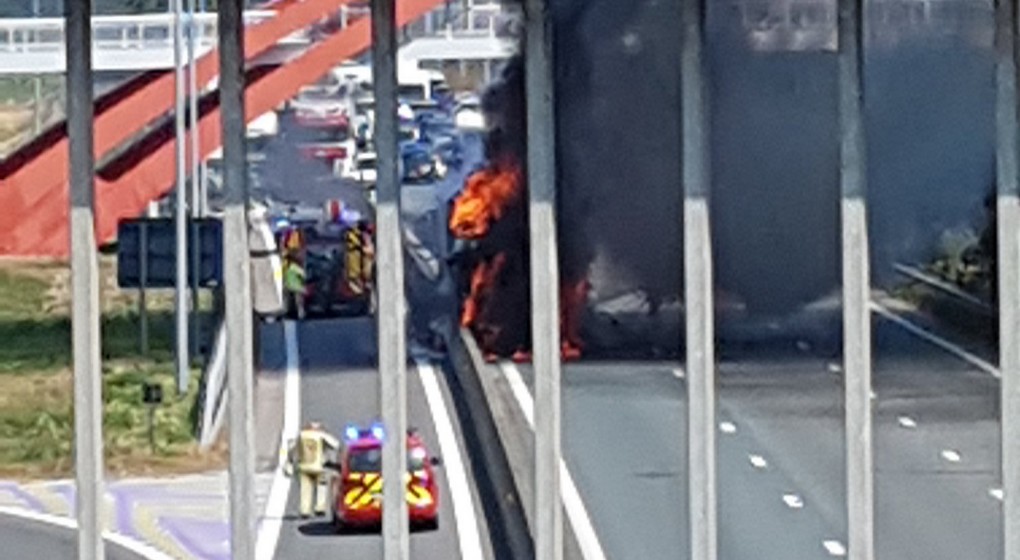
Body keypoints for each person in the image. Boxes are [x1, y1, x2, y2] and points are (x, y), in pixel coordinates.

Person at [286, 421, 340, 518]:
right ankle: (320, 508)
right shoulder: (321, 435)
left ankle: (305, 510)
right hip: (319, 466)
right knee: (321, 486)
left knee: (305, 489)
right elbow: (335, 444)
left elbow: (291, 448)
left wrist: (291, 461)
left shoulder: (301, 435)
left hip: (304, 466)